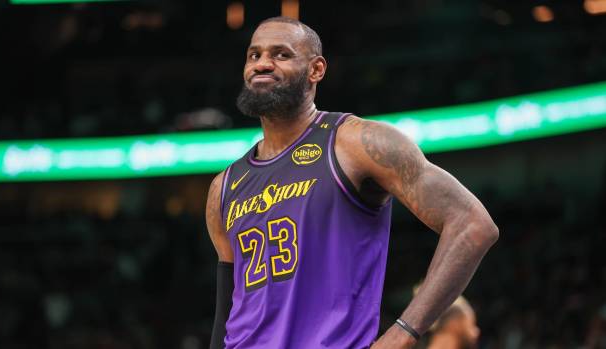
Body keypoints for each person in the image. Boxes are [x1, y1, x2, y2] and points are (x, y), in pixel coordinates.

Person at [206, 16, 498, 349]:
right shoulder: (224, 187)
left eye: (281, 54)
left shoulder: (356, 144)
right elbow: (227, 311)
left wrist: (402, 332)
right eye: (254, 55)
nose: (262, 64)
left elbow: (473, 225)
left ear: (316, 70)